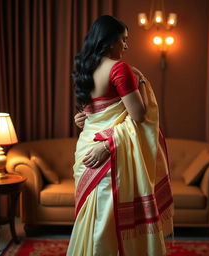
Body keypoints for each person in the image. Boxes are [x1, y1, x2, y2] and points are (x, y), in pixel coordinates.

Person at [67, 15, 174, 256]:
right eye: (123, 40)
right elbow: (138, 115)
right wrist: (142, 81)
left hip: (86, 150)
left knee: (94, 221)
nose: (126, 46)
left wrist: (81, 120)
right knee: (105, 226)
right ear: (109, 41)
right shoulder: (120, 68)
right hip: (108, 154)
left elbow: (91, 115)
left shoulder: (85, 68)